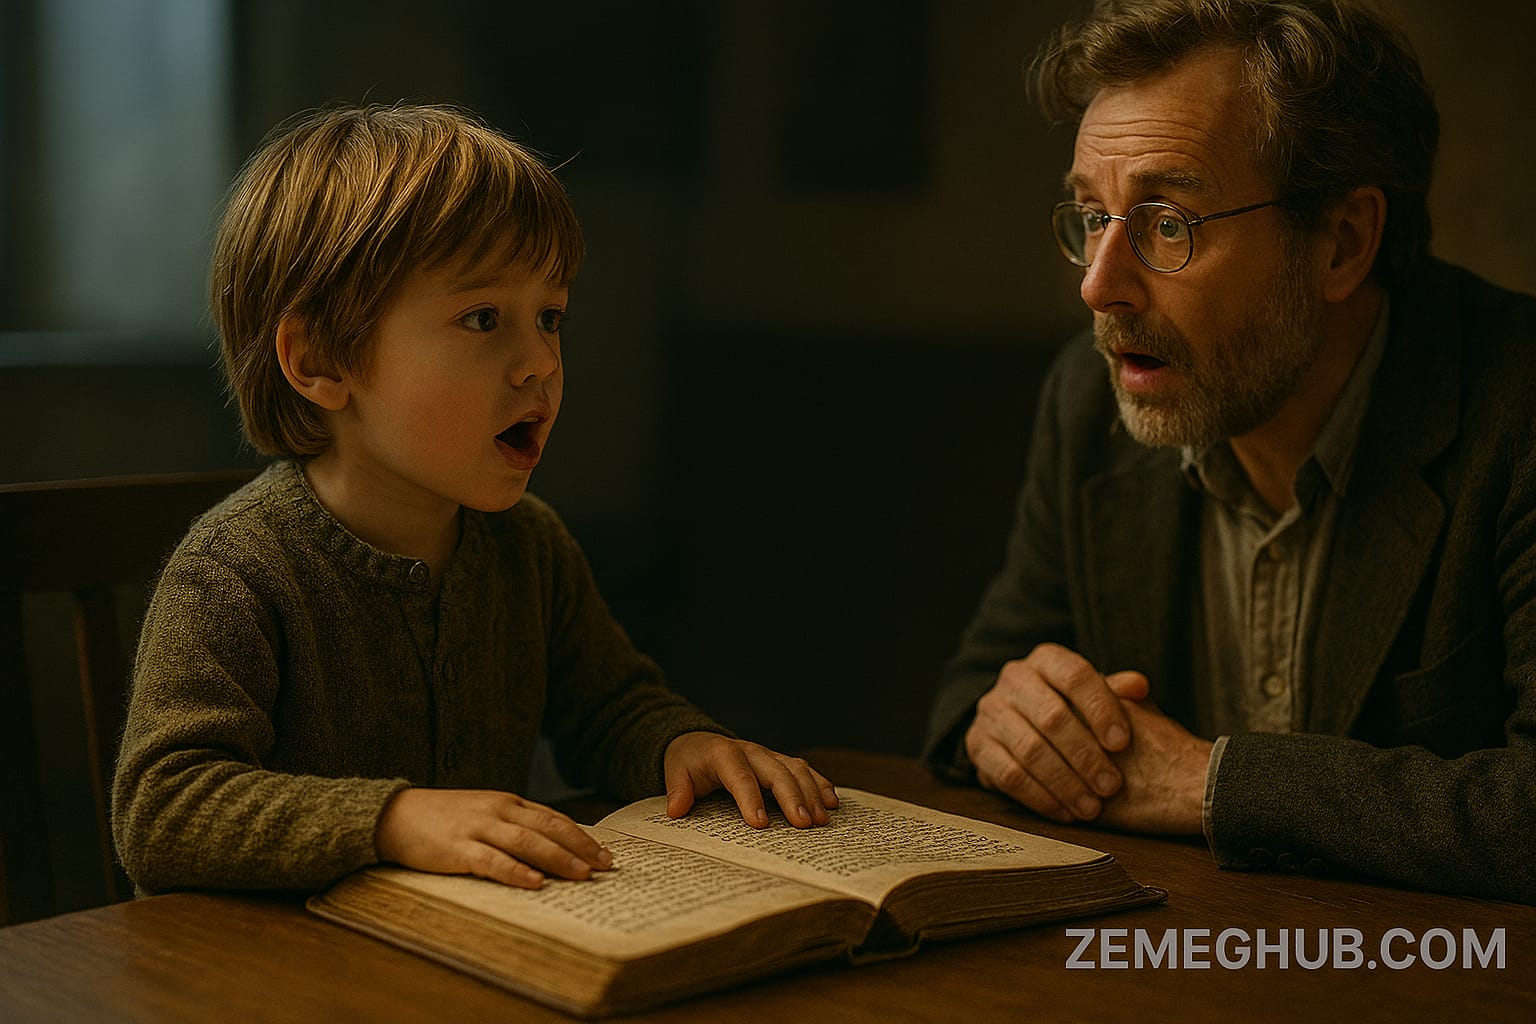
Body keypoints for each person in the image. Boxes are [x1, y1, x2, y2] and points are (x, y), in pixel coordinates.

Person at [113, 103, 837, 896]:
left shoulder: (528, 546)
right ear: (320, 359)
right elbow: (163, 809)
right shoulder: (236, 570)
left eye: (551, 317)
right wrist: (395, 820)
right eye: (483, 318)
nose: (539, 364)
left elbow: (609, 706)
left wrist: (681, 744)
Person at [924, 0, 1535, 904]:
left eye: (1168, 223)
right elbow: (972, 693)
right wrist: (1011, 725)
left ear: (1343, 242)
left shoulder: (1515, 412)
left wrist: (1210, 783)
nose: (1099, 286)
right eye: (1092, 216)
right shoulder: (1091, 397)